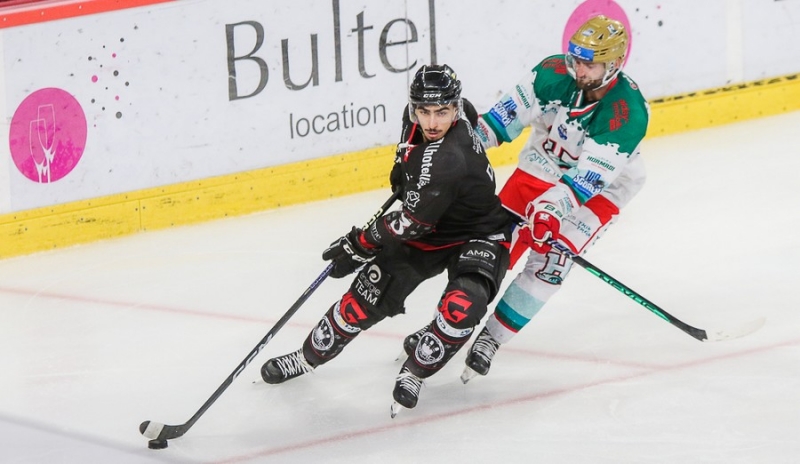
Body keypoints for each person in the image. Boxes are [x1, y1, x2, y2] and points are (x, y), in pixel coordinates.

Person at [260, 64, 513, 416]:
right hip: (428, 231)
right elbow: (414, 187)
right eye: (424, 111)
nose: (432, 122)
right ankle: (306, 357)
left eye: (442, 112)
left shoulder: (447, 158)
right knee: (360, 302)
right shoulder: (436, 118)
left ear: (454, 109)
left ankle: (416, 371)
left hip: (478, 232)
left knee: (462, 305)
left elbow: (409, 222)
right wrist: (406, 178)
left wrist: (358, 244)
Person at [459, 15, 650, 383]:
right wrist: (452, 150)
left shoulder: (627, 112)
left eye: (589, 64)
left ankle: (491, 340)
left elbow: (585, 181)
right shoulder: (549, 73)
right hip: (542, 165)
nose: (578, 69)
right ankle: (448, 327)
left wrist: (550, 212)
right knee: (493, 249)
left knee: (552, 261)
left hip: (602, 189)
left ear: (613, 65)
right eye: (575, 59)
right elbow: (497, 124)